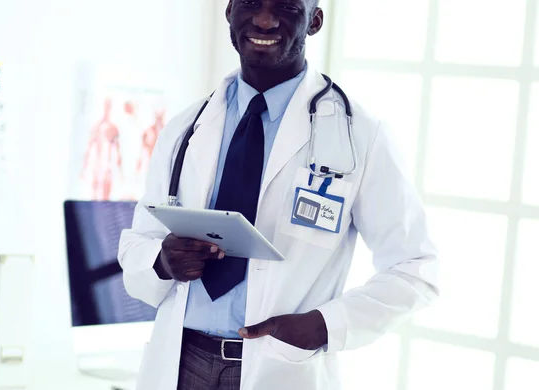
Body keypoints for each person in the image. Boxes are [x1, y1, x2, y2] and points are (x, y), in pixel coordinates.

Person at [118, 0, 439, 389]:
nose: (265, 19)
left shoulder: (362, 137)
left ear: (314, 21)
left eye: (286, 7)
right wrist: (161, 261)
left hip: (280, 368)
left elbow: (416, 269)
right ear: (229, 11)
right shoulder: (187, 127)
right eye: (250, 3)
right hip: (180, 362)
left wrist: (325, 325)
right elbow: (139, 242)